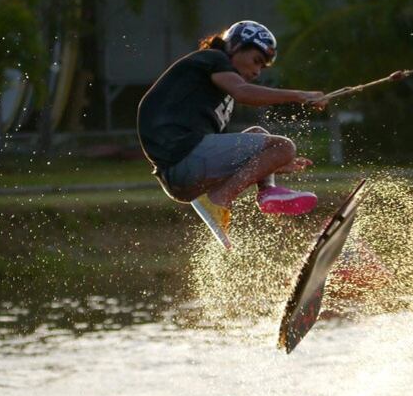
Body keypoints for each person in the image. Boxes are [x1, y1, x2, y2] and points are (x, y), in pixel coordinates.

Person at [136, 20, 329, 247]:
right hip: (183, 161)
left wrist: (271, 163)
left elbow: (225, 150)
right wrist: (299, 95)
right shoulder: (213, 59)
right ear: (236, 47)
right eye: (256, 61)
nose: (257, 71)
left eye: (263, 67)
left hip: (181, 175)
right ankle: (220, 198)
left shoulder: (217, 93)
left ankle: (268, 192)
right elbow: (243, 92)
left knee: (261, 135)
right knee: (284, 146)